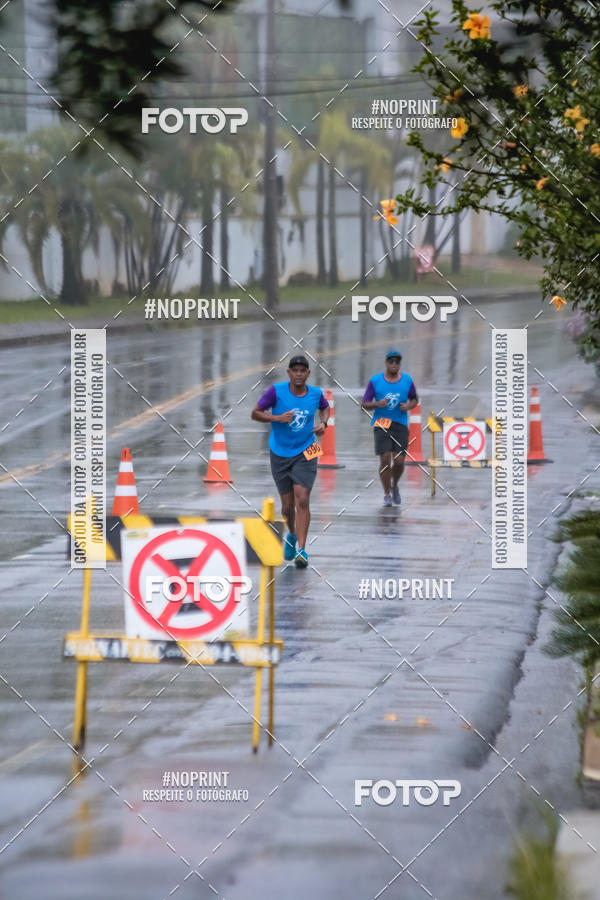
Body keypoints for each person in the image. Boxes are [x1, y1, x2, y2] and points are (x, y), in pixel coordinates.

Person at [252, 355, 330, 568]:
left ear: (307, 374)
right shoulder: (276, 392)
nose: (298, 373)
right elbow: (256, 413)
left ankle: (302, 550)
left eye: (302, 370)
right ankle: (292, 535)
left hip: (307, 450)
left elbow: (325, 407)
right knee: (287, 507)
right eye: (294, 370)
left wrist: (324, 423)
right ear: (289, 373)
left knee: (302, 498)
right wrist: (278, 418)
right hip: (279, 452)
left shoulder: (315, 394)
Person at [361, 349, 418, 507]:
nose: (394, 364)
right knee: (385, 458)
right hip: (382, 424)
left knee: (399, 461)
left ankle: (394, 485)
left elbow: (414, 399)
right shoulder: (376, 381)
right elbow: (364, 404)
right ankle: (387, 494)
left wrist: (408, 406)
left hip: (400, 424)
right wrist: (376, 404)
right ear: (386, 363)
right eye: (391, 361)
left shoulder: (407, 380)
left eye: (397, 362)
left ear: (399, 364)